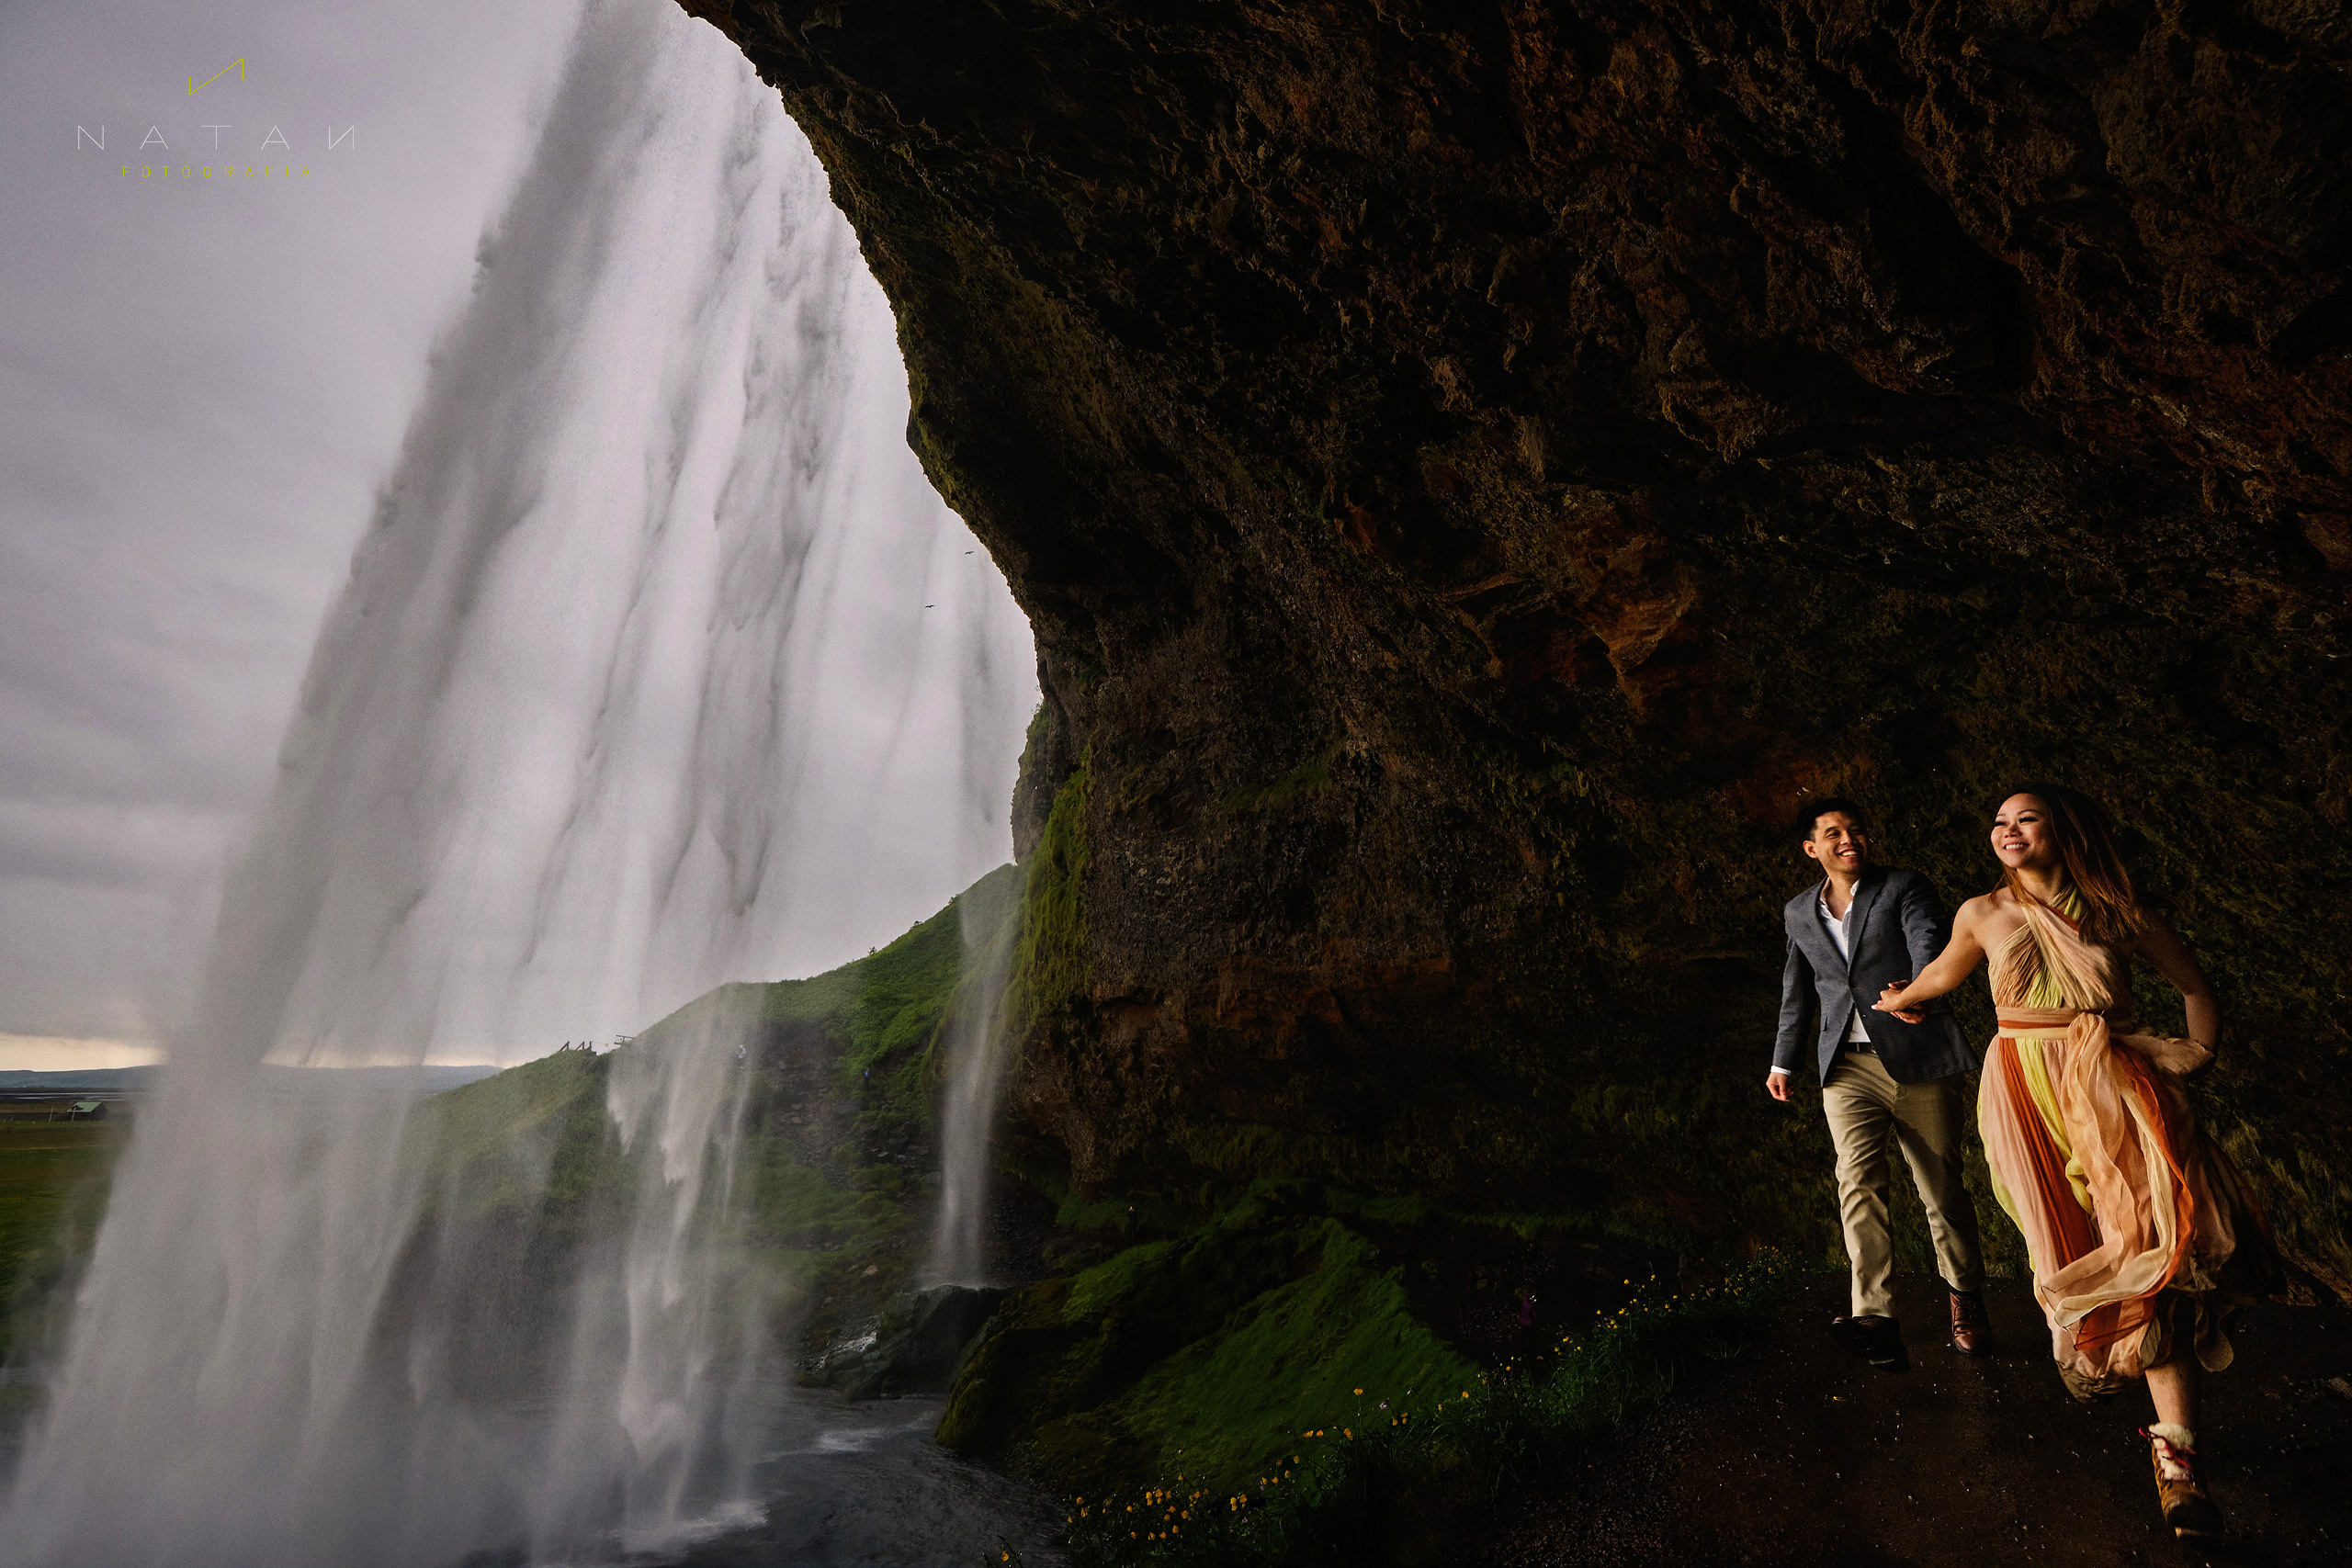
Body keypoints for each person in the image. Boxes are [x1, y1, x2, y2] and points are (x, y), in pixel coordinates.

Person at [1873, 784, 2280, 1539]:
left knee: (2153, 1251)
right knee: (2066, 1240)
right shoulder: (1981, 913)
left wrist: (2198, 1051)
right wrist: (1906, 995)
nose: (2008, 829)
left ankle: (2179, 1463)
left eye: (2025, 817)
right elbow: (1943, 974)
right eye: (1998, 820)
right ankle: (2090, 1340)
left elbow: (2194, 986)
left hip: (2118, 1087)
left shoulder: (2115, 908)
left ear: (2063, 829)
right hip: (2024, 1091)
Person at [1770, 797, 1989, 1371]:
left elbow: (1930, 940)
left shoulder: (1903, 886)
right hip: (1843, 1068)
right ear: (1811, 848)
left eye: (1857, 830)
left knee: (1941, 1190)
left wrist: (1920, 990)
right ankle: (1877, 1317)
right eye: (1834, 833)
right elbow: (1798, 992)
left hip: (1917, 1057)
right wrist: (1783, 1062)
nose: (1849, 840)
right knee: (1857, 1183)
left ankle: (1965, 1300)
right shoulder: (1798, 912)